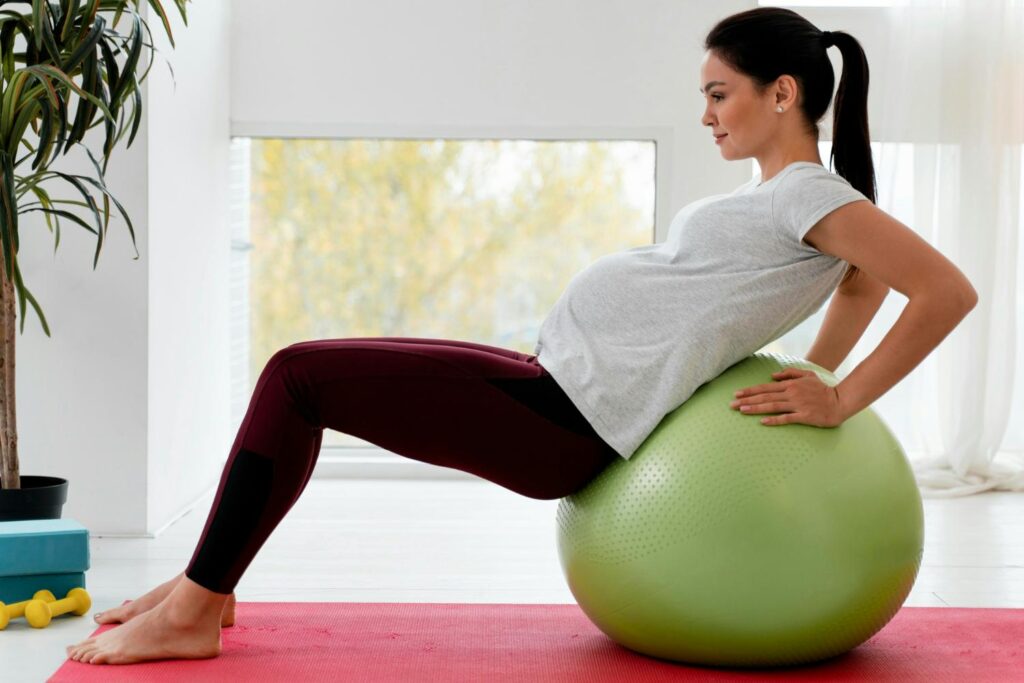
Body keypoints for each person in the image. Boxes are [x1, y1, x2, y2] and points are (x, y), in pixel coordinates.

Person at [66, 7, 977, 666]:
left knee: (298, 376)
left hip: (566, 419)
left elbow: (944, 290)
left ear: (782, 93)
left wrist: (841, 395)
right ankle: (209, 588)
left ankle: (194, 603)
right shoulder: (788, 200)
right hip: (549, 381)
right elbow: (860, 286)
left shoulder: (813, 195)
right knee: (301, 375)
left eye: (718, 93)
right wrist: (816, 365)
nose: (707, 114)